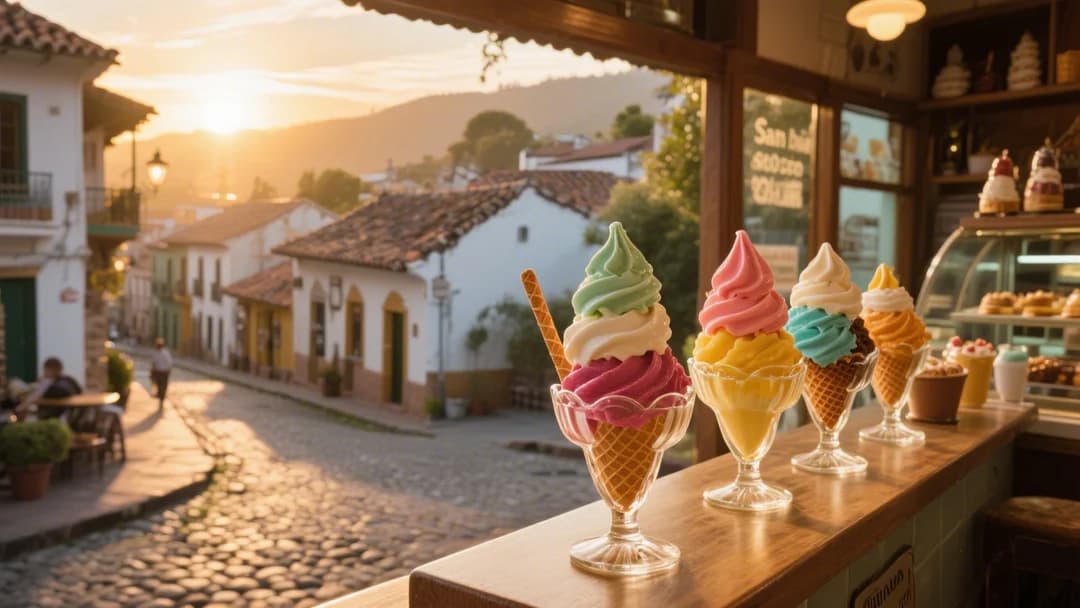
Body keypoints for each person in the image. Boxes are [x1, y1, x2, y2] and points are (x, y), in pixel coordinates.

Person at [18, 357, 82, 419]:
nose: (44, 373)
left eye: (46, 370)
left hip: (57, 416)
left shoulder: (50, 382)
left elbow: (35, 397)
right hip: (68, 415)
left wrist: (21, 407)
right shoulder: (69, 381)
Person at [150, 337, 173, 409]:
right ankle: (161, 398)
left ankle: (161, 398)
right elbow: (169, 363)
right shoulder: (163, 353)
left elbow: (154, 364)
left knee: (162, 386)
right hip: (162, 372)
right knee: (161, 386)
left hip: (161, 372)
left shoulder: (161, 353)